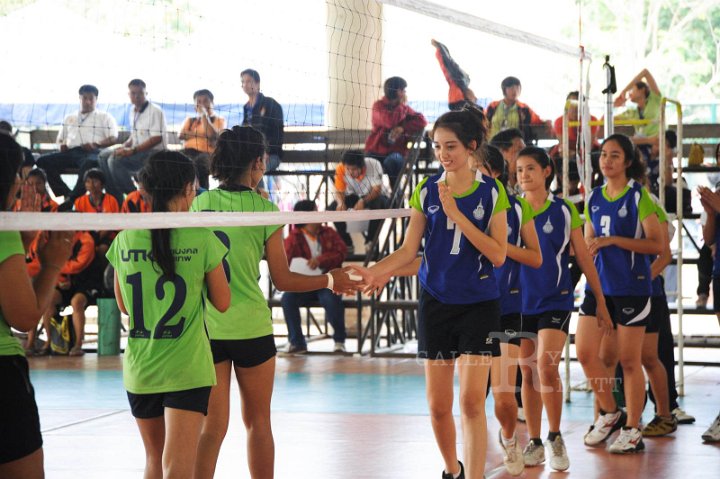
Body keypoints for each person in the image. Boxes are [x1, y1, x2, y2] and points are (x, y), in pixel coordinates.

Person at [190, 125, 360, 479]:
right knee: (258, 422)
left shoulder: (200, 203)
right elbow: (283, 280)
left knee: (211, 428)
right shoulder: (265, 210)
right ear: (256, 162)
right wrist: (330, 279)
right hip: (251, 327)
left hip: (209, 327)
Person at [353, 105, 509, 479]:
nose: (443, 154)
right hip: (436, 302)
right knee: (438, 406)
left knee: (471, 402)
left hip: (479, 303)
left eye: (451, 146)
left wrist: (457, 215)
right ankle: (451, 469)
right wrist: (374, 272)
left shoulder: (491, 191)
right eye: (438, 146)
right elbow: (410, 251)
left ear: (471, 146)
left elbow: (499, 254)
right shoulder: (426, 191)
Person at [106, 151, 231, 478]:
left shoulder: (125, 238)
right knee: (178, 465)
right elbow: (223, 302)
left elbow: (123, 306)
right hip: (186, 368)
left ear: (147, 188)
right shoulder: (202, 237)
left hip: (141, 367)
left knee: (154, 461)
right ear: (189, 188)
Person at [515, 146, 610, 471]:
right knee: (526, 370)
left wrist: (601, 301)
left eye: (530, 168)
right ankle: (536, 440)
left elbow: (583, 257)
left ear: (546, 172)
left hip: (555, 298)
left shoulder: (565, 209)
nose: (524, 175)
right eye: (519, 170)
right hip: (520, 301)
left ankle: (555, 437)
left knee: (545, 366)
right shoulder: (513, 210)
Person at [577, 133, 663, 454]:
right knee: (586, 354)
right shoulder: (594, 197)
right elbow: (589, 242)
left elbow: (657, 245)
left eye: (614, 155)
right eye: (603, 155)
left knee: (629, 361)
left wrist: (614, 240)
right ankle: (611, 411)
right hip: (598, 286)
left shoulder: (638, 197)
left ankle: (633, 428)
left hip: (631, 287)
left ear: (627, 162)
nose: (607, 160)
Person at [0, 133, 73, 479]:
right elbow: (25, 317)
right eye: (19, 174)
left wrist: (22, 241)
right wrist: (52, 265)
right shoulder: (2, 234)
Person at [481, 145, 542, 477]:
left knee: (505, 400)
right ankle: (469, 466)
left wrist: (502, 250)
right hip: (468, 309)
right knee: (471, 401)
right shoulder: (453, 205)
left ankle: (509, 437)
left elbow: (535, 258)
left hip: (507, 308)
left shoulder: (517, 209)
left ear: (492, 172)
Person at [281, 200, 348, 354]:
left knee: (330, 298)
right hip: (304, 284)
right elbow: (285, 260)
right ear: (305, 216)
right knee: (287, 299)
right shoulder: (293, 237)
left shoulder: (329, 232)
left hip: (327, 282)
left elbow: (341, 252)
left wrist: (320, 260)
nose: (320, 213)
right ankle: (297, 342)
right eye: (315, 210)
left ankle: (339, 340)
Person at [36, 85, 118, 202]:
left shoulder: (105, 117)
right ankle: (66, 193)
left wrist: (96, 144)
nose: (88, 102)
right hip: (70, 153)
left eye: (91, 99)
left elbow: (113, 138)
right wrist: (61, 146)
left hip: (92, 153)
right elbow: (60, 139)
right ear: (80, 98)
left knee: (89, 164)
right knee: (42, 161)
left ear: (96, 100)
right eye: (85, 98)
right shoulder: (70, 117)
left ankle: (73, 199)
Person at [24, 231, 96, 356]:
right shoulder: (53, 238)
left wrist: (53, 265)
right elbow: (40, 263)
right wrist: (55, 273)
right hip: (62, 282)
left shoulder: (86, 240)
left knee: (76, 302)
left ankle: (78, 344)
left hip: (84, 282)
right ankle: (47, 342)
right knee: (48, 298)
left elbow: (77, 266)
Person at [99, 79, 167, 204]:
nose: (136, 96)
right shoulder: (132, 111)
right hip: (138, 151)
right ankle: (115, 198)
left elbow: (157, 139)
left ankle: (135, 197)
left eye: (140, 93)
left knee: (115, 161)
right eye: (133, 93)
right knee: (103, 155)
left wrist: (132, 151)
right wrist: (123, 146)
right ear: (129, 94)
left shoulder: (155, 111)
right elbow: (134, 136)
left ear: (146, 93)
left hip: (154, 153)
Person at [364, 76, 427, 189]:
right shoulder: (378, 106)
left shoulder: (404, 108)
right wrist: (402, 106)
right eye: (403, 90)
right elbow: (390, 121)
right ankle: (372, 196)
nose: (404, 93)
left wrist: (403, 128)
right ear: (397, 91)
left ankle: (395, 196)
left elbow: (422, 120)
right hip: (375, 151)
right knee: (368, 163)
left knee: (394, 161)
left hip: (396, 152)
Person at [327, 149, 390, 253]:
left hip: (374, 195)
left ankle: (370, 241)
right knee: (333, 208)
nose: (351, 172)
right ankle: (347, 243)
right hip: (354, 195)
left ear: (362, 166)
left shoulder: (373, 164)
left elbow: (376, 190)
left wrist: (363, 201)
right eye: (348, 169)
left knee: (378, 205)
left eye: (354, 169)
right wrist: (340, 203)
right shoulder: (340, 168)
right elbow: (339, 191)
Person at [241, 69, 284, 195]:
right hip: (251, 155)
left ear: (258, 84)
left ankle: (260, 203)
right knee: (244, 167)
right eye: (243, 82)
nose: (245, 84)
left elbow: (276, 133)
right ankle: (249, 202)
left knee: (254, 167)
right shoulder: (246, 107)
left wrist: (266, 151)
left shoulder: (271, 105)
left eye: (249, 81)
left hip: (271, 155)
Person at [179, 89, 225, 189]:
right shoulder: (190, 120)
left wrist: (204, 115)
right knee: (175, 160)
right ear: (194, 106)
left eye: (205, 101)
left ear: (212, 103)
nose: (202, 104)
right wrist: (203, 135)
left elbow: (212, 135)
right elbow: (181, 135)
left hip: (208, 153)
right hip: (188, 151)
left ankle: (202, 194)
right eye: (198, 102)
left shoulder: (219, 120)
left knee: (199, 164)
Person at [614, 68, 662, 154]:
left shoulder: (655, 99)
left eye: (632, 90)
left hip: (659, 146)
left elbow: (645, 72)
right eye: (629, 91)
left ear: (642, 90)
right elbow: (607, 120)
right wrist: (614, 105)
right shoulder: (632, 112)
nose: (630, 93)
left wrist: (624, 91)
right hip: (641, 147)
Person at [485, 76, 544, 141]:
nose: (515, 91)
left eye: (517, 88)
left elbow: (537, 120)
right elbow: (484, 121)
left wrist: (547, 123)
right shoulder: (493, 106)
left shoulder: (524, 108)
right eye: (511, 88)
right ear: (504, 89)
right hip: (493, 145)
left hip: (515, 146)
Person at [431, 39, 477, 110]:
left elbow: (446, 61)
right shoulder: (459, 79)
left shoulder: (455, 77)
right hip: (458, 101)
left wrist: (439, 46)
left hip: (457, 101)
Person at [490, 128, 525, 195]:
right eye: (519, 151)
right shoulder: (493, 186)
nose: (525, 156)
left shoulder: (525, 181)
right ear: (502, 152)